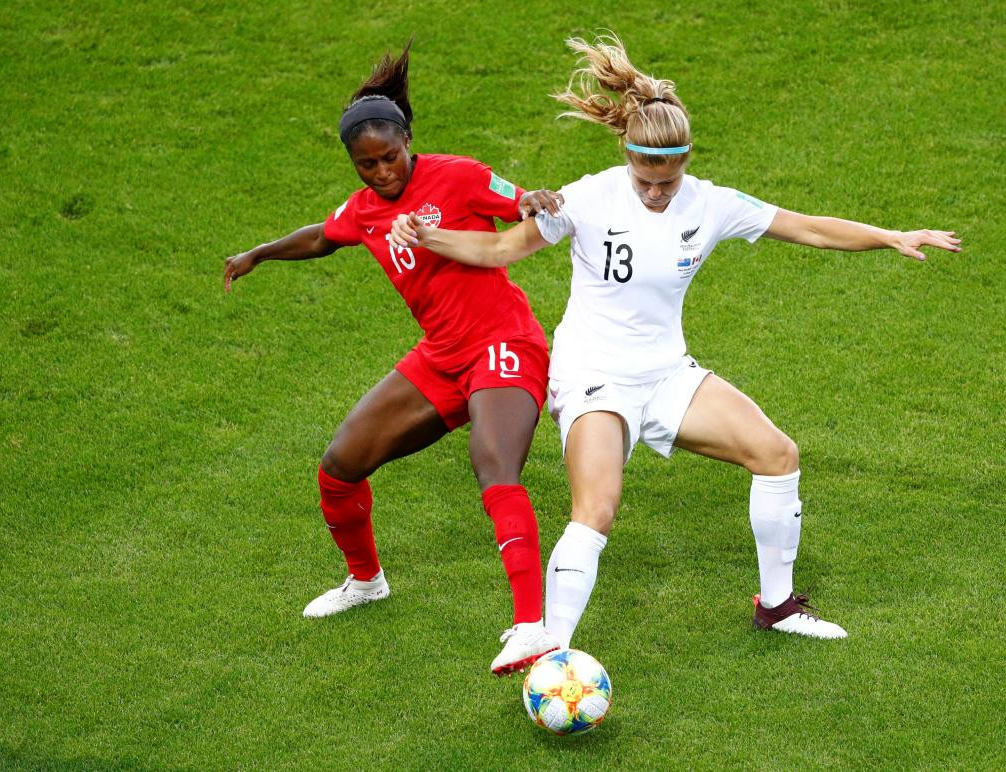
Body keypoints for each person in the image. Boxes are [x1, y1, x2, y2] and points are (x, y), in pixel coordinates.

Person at [390, 34, 961, 647]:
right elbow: (502, 248)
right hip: (594, 377)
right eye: (645, 180)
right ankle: (546, 640)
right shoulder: (585, 197)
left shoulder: (710, 204)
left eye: (668, 180)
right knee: (597, 509)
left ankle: (778, 607)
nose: (657, 192)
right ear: (628, 158)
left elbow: (809, 229)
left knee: (777, 455)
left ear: (685, 161)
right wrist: (431, 238)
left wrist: (891, 234)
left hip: (666, 375)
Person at [223, 40, 565, 674]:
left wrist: (533, 198)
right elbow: (323, 237)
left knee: (493, 465)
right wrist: (259, 254)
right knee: (339, 468)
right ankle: (366, 581)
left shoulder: (456, 175)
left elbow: (517, 200)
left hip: (504, 344)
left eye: (390, 157)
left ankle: (530, 626)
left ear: (409, 140)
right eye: (366, 165)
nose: (381, 173)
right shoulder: (365, 211)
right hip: (441, 357)